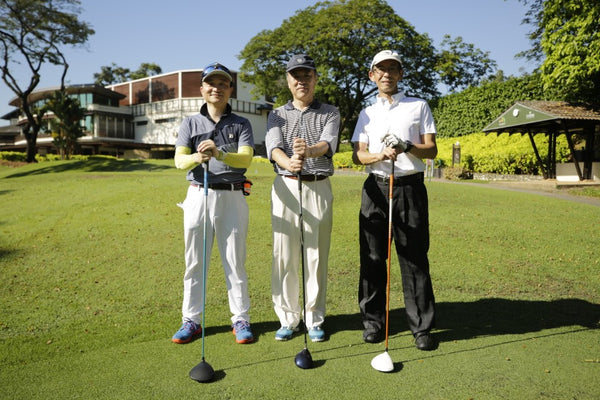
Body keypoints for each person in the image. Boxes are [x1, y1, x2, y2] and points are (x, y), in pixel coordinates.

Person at [351, 50, 438, 351]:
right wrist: (380, 155)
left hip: (409, 189)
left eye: (393, 69)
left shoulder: (418, 106)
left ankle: (421, 327)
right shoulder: (367, 113)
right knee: (372, 258)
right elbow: (358, 154)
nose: (387, 74)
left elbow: (431, 151)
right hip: (375, 187)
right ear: (371, 75)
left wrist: (408, 146)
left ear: (400, 74)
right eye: (381, 69)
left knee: (413, 258)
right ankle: (374, 323)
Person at [172, 62, 255, 345]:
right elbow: (178, 160)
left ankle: (240, 318)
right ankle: (191, 320)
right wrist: (197, 158)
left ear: (230, 89)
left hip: (232, 195)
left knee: (235, 260)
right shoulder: (190, 123)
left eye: (222, 83)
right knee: (195, 261)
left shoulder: (241, 123)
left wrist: (219, 154)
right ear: (202, 88)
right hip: (198, 193)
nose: (216, 88)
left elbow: (245, 159)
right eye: (211, 83)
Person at [265, 54, 340, 342]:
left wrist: (308, 152)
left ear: (315, 79)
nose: (301, 81)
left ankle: (314, 318)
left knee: (316, 255)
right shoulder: (276, 114)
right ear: (288, 80)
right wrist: (288, 163)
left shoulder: (330, 111)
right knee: (284, 255)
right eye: (295, 76)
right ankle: (288, 318)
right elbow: (273, 148)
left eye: (307, 75)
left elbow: (327, 143)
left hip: (318, 186)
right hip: (285, 185)